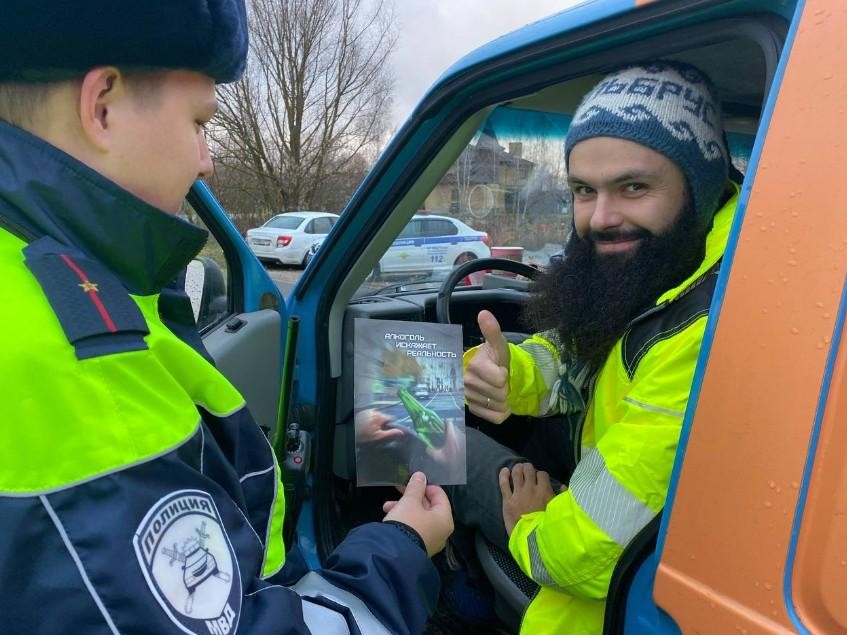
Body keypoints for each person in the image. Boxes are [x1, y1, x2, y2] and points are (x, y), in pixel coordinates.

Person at [0, 2, 452, 634]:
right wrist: (400, 546)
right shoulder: (82, 371)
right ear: (101, 106)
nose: (207, 160)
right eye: (200, 122)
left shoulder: (47, 277)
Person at [452, 61, 739, 633]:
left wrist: (528, 525)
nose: (601, 219)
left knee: (433, 442)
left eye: (633, 187)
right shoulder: (676, 266)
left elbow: (584, 549)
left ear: (700, 187)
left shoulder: (709, 325)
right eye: (584, 190)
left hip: (600, 596)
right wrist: (515, 373)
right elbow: (586, 348)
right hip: (617, 523)